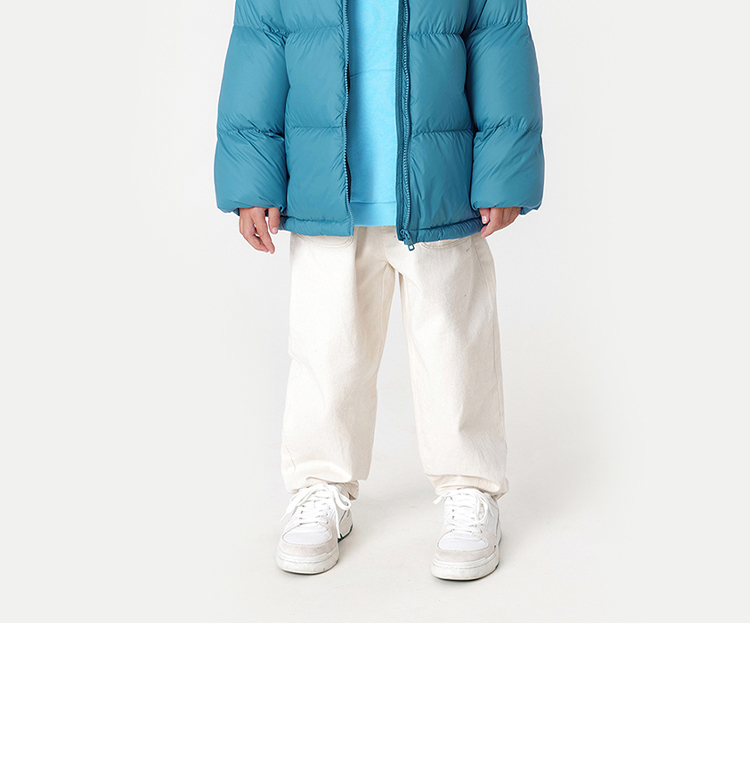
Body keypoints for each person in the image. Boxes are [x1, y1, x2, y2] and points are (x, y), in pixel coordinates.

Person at [214, 0, 544, 580]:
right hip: (327, 191)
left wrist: (502, 169)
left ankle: (469, 487)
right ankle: (320, 483)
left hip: (441, 187)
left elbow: (497, 33)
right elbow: (259, 41)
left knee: (454, 347)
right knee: (325, 349)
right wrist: (254, 178)